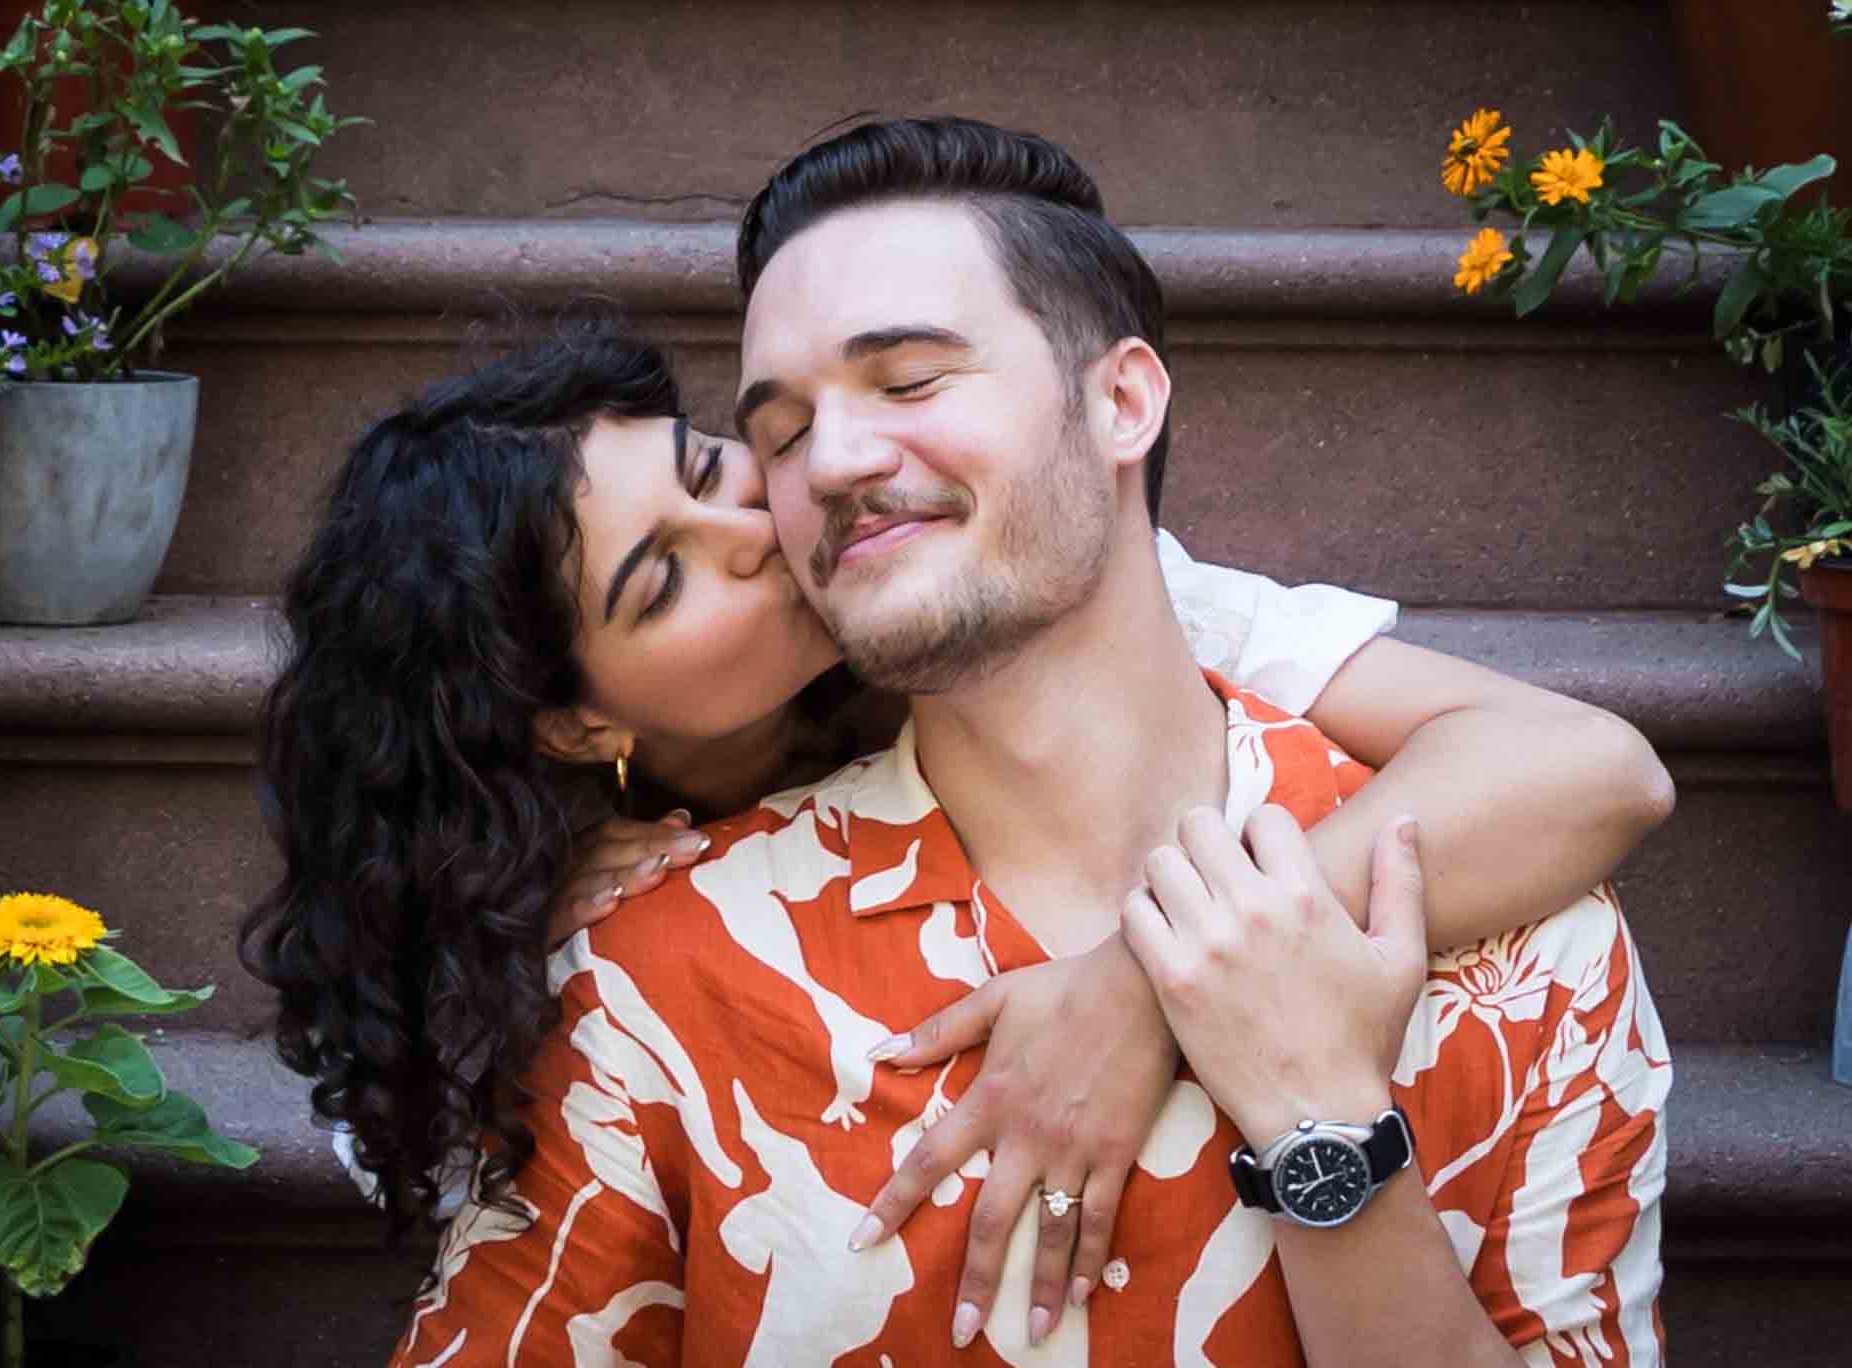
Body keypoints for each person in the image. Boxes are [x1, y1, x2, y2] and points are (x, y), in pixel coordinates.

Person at [383, 118, 1672, 1367]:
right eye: (776, 431)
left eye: (909, 379)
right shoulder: (654, 977)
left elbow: (1603, 767)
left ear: (1123, 400)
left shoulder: (1508, 929)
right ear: (586, 724)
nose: (825, 464)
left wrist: (1287, 1101)